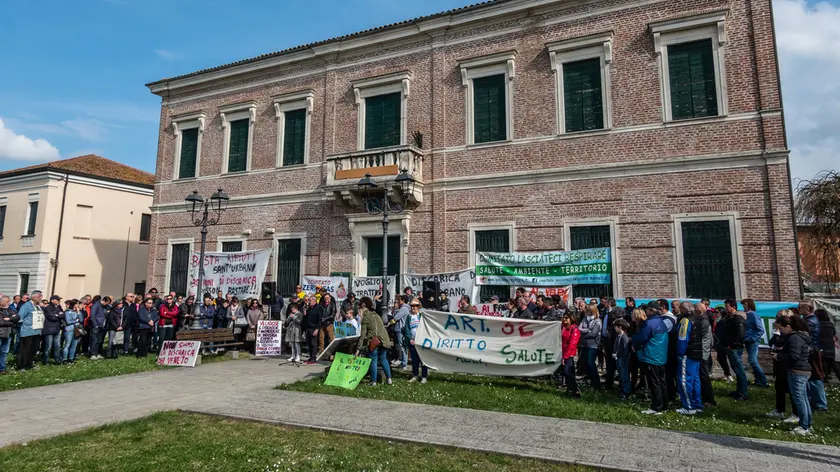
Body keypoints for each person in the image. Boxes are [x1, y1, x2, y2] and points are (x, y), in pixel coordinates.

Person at [774, 315, 814, 436]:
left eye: (781, 329)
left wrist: (779, 356)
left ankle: (804, 426)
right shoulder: (800, 337)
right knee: (803, 398)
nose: (780, 331)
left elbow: (794, 356)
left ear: (788, 327)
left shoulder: (794, 338)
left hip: (797, 370)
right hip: (802, 370)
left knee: (799, 399)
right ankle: (807, 423)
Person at [633, 303, 669, 415]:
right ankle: (664, 405)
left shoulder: (649, 323)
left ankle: (656, 407)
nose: (645, 312)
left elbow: (641, 338)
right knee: (661, 381)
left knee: (654, 382)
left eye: (647, 310)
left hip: (651, 355)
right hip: (660, 355)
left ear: (651, 310)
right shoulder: (661, 322)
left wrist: (634, 343)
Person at [767, 309, 798, 422]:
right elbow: (772, 343)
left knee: (791, 389)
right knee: (779, 387)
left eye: (779, 317)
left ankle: (796, 413)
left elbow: (784, 344)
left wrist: (781, 347)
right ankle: (779, 410)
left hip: (787, 363)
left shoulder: (791, 334)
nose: (777, 318)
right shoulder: (778, 331)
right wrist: (776, 335)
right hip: (779, 362)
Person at [675, 302, 705, 415]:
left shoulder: (685, 321)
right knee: (695, 380)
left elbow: (683, 338)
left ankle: (689, 406)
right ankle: (697, 404)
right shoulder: (697, 319)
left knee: (684, 380)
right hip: (697, 353)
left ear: (683, 309)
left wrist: (680, 353)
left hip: (687, 354)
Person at [355, 296, 393, 386]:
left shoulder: (365, 318)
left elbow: (363, 335)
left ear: (363, 308)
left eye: (359, 309)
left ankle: (374, 381)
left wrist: (358, 349)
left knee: (373, 360)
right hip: (384, 340)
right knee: (383, 359)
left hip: (374, 342)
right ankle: (389, 379)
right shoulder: (376, 315)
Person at [799, 300, 827, 412]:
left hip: (812, 351)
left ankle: (821, 404)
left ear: (807, 308)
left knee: (815, 377)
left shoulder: (811, 321)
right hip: (809, 350)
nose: (798, 309)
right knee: (810, 377)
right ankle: (813, 401)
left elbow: (804, 333)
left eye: (800, 307)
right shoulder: (807, 320)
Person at [721, 299, 749, 401]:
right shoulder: (730, 318)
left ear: (733, 307)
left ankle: (743, 393)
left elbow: (740, 334)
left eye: (727, 306)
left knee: (739, 370)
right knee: (736, 370)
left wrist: (733, 345)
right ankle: (739, 390)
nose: (725, 308)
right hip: (730, 346)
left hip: (735, 348)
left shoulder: (738, 318)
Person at [742, 298, 768, 388]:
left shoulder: (753, 315)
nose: (743, 307)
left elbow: (760, 330)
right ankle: (758, 380)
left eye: (744, 305)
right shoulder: (746, 315)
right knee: (752, 360)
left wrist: (752, 338)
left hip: (752, 341)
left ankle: (763, 381)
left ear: (749, 305)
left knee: (752, 360)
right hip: (747, 340)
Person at [694, 302, 716, 406]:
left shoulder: (703, 322)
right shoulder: (702, 320)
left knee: (704, 377)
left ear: (698, 311)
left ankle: (709, 399)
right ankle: (703, 397)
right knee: (700, 376)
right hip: (702, 351)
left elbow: (697, 336)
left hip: (702, 353)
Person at [16, 290, 44, 371]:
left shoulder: (38, 306)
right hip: (27, 331)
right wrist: (25, 325)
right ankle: (21, 366)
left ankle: (29, 364)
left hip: (37, 331)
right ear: (34, 297)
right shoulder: (26, 306)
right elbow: (20, 317)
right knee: (25, 349)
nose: (41, 298)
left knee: (33, 349)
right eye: (39, 296)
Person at [578, 304, 602, 390]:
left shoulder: (597, 321)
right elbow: (579, 328)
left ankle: (596, 383)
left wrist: (583, 334)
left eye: (587, 310)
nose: (586, 311)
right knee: (584, 362)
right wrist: (587, 330)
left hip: (593, 345)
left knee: (591, 362)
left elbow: (593, 334)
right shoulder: (585, 319)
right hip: (584, 344)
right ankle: (590, 380)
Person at [403, 300, 428, 383]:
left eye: (415, 305)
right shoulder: (409, 317)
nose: (413, 307)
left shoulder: (422, 315)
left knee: (423, 360)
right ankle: (415, 374)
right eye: (412, 306)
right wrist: (410, 338)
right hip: (413, 341)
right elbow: (407, 328)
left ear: (418, 306)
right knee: (414, 359)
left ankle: (424, 376)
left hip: (421, 341)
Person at [560, 312, 581, 397]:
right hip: (562, 351)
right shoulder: (564, 327)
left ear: (571, 319)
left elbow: (572, 344)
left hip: (569, 354)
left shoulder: (574, 330)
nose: (564, 319)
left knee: (568, 372)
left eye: (566, 318)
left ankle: (575, 390)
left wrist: (565, 357)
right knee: (566, 372)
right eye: (564, 318)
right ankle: (570, 389)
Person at [816, 308, 840, 381]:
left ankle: (826, 377)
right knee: (832, 362)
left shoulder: (817, 325)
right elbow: (834, 333)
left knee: (822, 361)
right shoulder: (830, 324)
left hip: (821, 345)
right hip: (830, 345)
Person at [0, 296, 20, 374]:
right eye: (7, 301)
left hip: (8, 334)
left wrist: (10, 319)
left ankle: (2, 368)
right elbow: (1, 322)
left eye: (9, 301)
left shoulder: (10, 310)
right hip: (0, 334)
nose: (9, 303)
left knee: (4, 352)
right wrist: (12, 322)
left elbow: (18, 317)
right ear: (1, 302)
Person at [41, 295, 64, 365]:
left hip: (57, 329)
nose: (58, 301)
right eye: (57, 300)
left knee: (57, 346)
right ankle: (46, 360)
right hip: (49, 329)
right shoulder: (48, 308)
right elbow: (52, 317)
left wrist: (57, 315)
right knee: (48, 346)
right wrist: (58, 315)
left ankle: (57, 359)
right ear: (52, 300)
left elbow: (63, 315)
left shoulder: (58, 307)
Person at [613, 318, 631, 400]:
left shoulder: (624, 338)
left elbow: (625, 350)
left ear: (620, 327)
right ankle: (622, 389)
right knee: (621, 375)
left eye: (616, 327)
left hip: (622, 359)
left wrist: (622, 357)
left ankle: (626, 392)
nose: (614, 328)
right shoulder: (618, 336)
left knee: (624, 376)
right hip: (618, 358)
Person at [392, 295, 410, 369]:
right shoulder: (407, 308)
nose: (399, 302)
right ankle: (404, 362)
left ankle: (404, 363)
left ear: (403, 300)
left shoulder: (403, 309)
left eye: (400, 300)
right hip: (402, 329)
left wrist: (396, 310)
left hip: (400, 329)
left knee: (402, 346)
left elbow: (395, 317)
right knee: (403, 346)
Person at [303, 296, 322, 364]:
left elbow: (319, 319)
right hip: (308, 328)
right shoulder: (309, 308)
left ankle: (314, 358)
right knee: (308, 343)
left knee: (313, 343)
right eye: (308, 300)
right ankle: (311, 357)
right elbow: (306, 317)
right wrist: (305, 312)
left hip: (314, 328)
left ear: (314, 301)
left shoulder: (318, 307)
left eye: (310, 300)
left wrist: (317, 329)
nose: (308, 301)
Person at [88, 295, 108, 359]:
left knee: (99, 340)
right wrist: (95, 324)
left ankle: (98, 353)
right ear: (104, 301)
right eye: (107, 303)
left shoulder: (104, 307)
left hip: (102, 325)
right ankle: (93, 354)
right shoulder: (96, 305)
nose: (107, 305)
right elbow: (92, 315)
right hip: (96, 325)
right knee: (95, 340)